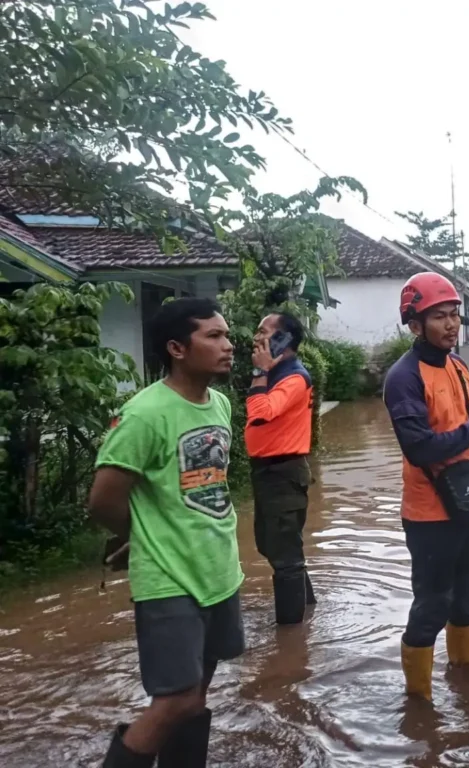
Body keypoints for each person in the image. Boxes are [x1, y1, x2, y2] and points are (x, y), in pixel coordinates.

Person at [89, 297, 244, 768]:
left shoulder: (219, 404)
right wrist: (142, 536)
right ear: (177, 348)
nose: (228, 345)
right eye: (213, 336)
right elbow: (103, 500)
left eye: (226, 334)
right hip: (168, 579)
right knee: (174, 700)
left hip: (219, 571)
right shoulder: (143, 415)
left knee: (196, 696)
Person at [383, 272, 469, 701]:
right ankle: (419, 705)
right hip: (429, 515)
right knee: (433, 606)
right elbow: (419, 448)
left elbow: (468, 447)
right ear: (415, 325)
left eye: (454, 314)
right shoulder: (403, 378)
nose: (452, 324)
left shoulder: (457, 366)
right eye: (440, 316)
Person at [246, 311, 316, 625]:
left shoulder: (294, 378)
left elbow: (261, 413)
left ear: (282, 339)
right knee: (272, 544)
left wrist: (259, 372)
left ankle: (292, 638)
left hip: (283, 473)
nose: (256, 338)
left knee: (285, 555)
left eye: (263, 332)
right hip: (269, 472)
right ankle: (307, 610)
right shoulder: (277, 374)